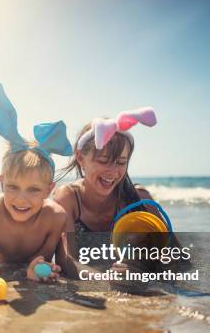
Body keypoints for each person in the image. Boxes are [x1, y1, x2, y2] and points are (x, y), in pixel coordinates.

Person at [0, 79, 73, 282]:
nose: (21, 199)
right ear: (1, 182)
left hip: (20, 264)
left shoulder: (55, 218)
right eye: (12, 187)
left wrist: (35, 271)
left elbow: (47, 264)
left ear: (49, 190)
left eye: (34, 190)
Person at [53, 108, 179, 278]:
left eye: (121, 162)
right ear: (80, 158)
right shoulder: (68, 199)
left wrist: (144, 272)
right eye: (103, 161)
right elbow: (67, 262)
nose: (112, 172)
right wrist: (108, 280)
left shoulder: (139, 200)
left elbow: (177, 259)